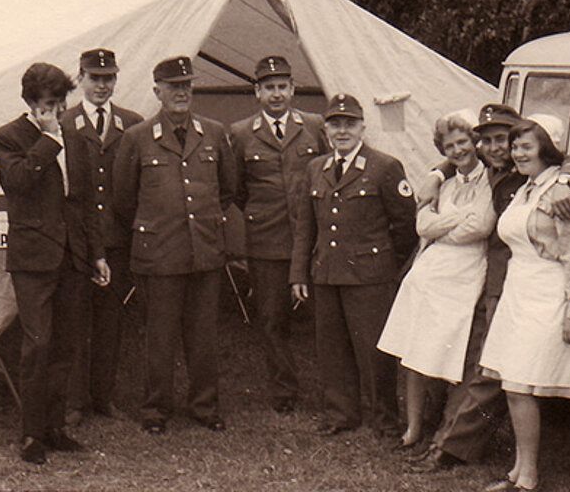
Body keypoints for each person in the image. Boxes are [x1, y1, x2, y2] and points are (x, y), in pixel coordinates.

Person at [411, 104, 570, 473]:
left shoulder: (533, 174)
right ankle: (442, 436)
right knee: (474, 359)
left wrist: (568, 179)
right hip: (488, 278)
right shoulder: (498, 174)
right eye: (487, 140)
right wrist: (435, 171)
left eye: (501, 140)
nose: (495, 148)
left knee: (489, 372)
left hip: (518, 284)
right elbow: (454, 158)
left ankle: (452, 447)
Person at [0, 62, 110, 465]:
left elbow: (82, 205)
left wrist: (96, 253)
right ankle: (30, 433)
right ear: (30, 103)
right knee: (37, 344)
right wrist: (47, 139)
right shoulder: (8, 137)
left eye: (60, 104)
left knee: (65, 346)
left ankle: (55, 427)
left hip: (72, 257)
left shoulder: (74, 139)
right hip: (33, 258)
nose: (56, 112)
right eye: (47, 105)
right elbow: (18, 182)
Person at [112, 56, 237, 435]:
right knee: (160, 336)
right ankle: (156, 409)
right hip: (159, 252)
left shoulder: (214, 133)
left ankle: (204, 406)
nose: (181, 93)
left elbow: (228, 188)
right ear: (157, 92)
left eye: (186, 85)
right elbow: (123, 199)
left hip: (204, 251)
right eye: (172, 86)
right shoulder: (137, 137)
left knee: (203, 335)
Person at [479, 114, 570, 492]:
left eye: (526, 146)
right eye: (515, 147)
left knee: (520, 386)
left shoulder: (566, 193)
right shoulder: (528, 187)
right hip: (519, 290)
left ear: (546, 148)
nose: (517, 153)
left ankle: (528, 476)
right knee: (513, 383)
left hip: (549, 293)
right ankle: (518, 469)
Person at [290, 93, 417, 437]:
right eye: (335, 124)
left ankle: (384, 419)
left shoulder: (384, 167)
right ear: (326, 128)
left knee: (372, 350)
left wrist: (387, 266)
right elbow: (306, 226)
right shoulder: (316, 168)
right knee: (331, 348)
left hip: (369, 276)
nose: (342, 131)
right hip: (327, 273)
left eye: (349, 124)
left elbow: (406, 226)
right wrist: (299, 273)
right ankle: (340, 414)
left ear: (363, 127)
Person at [377, 109, 496, 448]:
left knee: (448, 346)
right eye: (450, 146)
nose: (458, 151)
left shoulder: (489, 180)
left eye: (463, 142)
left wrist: (440, 223)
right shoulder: (446, 181)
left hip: (464, 273)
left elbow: (480, 227)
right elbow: (420, 226)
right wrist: (454, 220)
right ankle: (414, 426)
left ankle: (445, 421)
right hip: (429, 272)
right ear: (442, 151)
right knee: (414, 350)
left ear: (475, 142)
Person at [229, 55, 327, 414]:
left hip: (314, 240)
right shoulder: (240, 133)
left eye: (282, 87)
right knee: (272, 320)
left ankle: (333, 391)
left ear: (293, 89)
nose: (276, 95)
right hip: (267, 240)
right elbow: (236, 188)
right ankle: (284, 391)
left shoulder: (315, 126)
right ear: (257, 92)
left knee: (324, 319)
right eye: (268, 88)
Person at [61, 48, 143, 425]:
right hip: (77, 243)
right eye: (95, 78)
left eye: (108, 78)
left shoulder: (131, 123)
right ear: (80, 79)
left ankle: (103, 396)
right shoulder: (63, 123)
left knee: (111, 322)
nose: (102, 85)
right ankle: (75, 401)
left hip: (115, 240)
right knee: (77, 322)